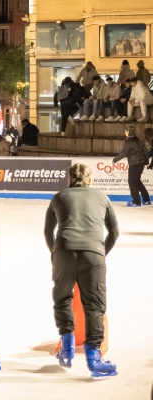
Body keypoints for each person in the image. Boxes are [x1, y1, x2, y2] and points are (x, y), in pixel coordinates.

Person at [44, 163, 119, 377]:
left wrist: (55, 253)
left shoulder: (59, 197)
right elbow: (114, 231)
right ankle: (94, 357)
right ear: (90, 179)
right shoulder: (102, 197)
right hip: (93, 255)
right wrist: (101, 252)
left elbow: (48, 230)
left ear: (69, 179)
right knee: (94, 305)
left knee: (62, 299)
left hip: (64, 252)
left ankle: (67, 348)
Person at [113, 126, 150, 206]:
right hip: (141, 164)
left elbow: (124, 153)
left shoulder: (129, 141)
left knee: (132, 182)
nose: (124, 133)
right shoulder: (140, 140)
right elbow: (146, 152)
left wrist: (115, 159)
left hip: (134, 164)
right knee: (137, 181)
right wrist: (146, 162)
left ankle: (136, 201)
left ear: (128, 132)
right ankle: (146, 199)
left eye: (125, 132)